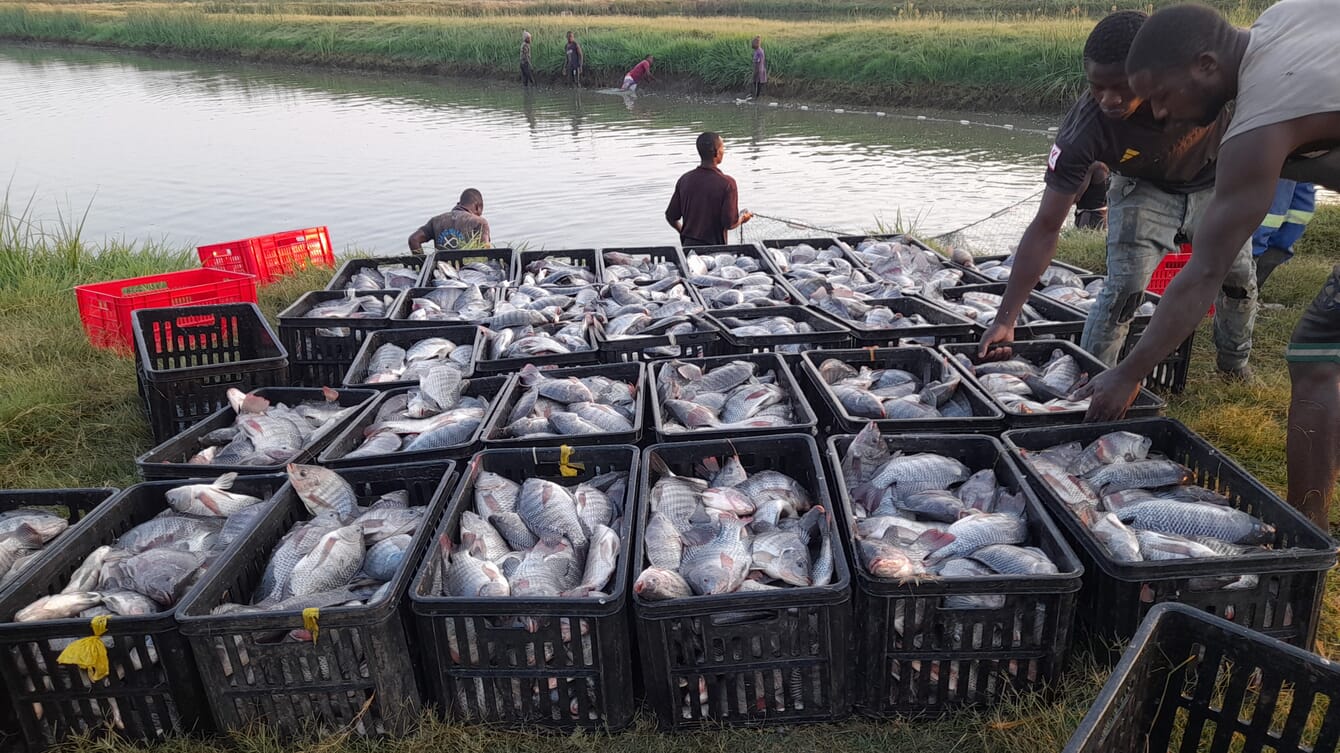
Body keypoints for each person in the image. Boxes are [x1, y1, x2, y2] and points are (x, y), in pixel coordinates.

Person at [1079, 0, 1340, 527]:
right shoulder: (1287, 16)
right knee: (1319, 352)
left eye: (1161, 96)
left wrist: (1130, 371)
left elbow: (1204, 272)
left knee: (1315, 360)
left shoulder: (1258, 122)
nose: (1156, 114)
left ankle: (1304, 536)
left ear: (1205, 65)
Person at [976, 10, 1259, 381]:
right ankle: (1093, 378)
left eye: (1122, 86)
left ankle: (1234, 365)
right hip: (1143, 188)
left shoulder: (1204, 81)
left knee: (1238, 279)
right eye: (1097, 87)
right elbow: (1046, 225)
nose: (1109, 99)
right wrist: (1005, 318)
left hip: (1214, 183)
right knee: (1123, 289)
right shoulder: (1084, 131)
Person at [665, 132, 753, 247]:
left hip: (688, 247)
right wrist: (742, 218)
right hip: (715, 250)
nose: (724, 151)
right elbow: (730, 223)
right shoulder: (727, 183)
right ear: (716, 152)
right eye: (723, 147)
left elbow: (671, 216)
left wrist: (683, 233)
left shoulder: (685, 180)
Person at [1251, 179, 1316, 290]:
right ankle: (1235, 297)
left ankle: (1252, 291)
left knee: (1299, 214)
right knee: (1268, 218)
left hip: (1305, 164)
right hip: (1277, 165)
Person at [407, 189, 491, 253]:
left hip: (442, 270)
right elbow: (486, 252)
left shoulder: (436, 221)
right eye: (480, 212)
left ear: (459, 204)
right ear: (477, 207)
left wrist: (422, 265)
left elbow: (414, 239)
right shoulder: (480, 222)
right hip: (470, 272)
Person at [1074, 161, 1110, 230]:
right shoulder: (1106, 164)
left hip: (1089, 218)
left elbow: (1076, 197)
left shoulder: (1093, 166)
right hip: (1103, 215)